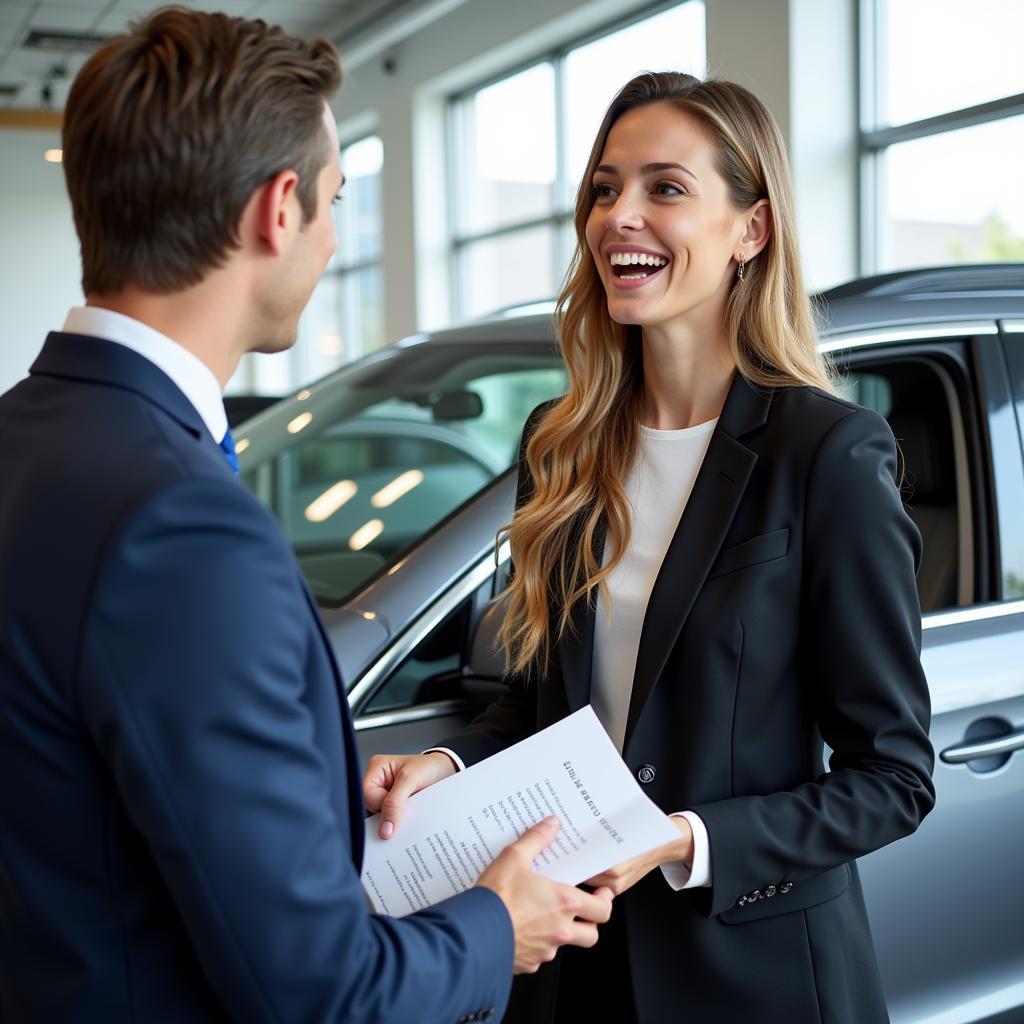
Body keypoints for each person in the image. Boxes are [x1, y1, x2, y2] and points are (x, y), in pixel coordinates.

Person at [0, 8, 613, 1022]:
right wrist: (497, 922)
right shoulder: (181, 525)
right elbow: (322, 991)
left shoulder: (29, 436)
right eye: (333, 201)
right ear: (276, 210)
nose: (332, 237)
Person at [363, 71, 936, 1023]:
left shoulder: (826, 453)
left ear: (750, 230)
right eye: (604, 188)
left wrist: (681, 839)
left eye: (665, 189)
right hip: (574, 969)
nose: (619, 215)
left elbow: (894, 779)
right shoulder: (563, 443)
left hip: (758, 981)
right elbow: (549, 713)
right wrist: (449, 768)